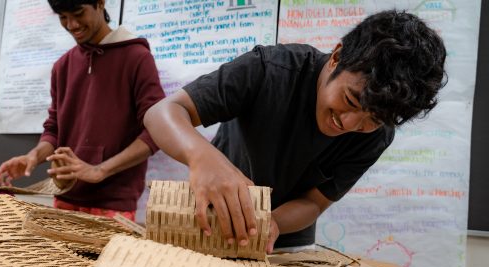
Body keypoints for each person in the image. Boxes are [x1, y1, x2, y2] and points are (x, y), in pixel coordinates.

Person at [143, 10, 446, 252]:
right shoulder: (271, 69)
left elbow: (315, 202)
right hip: (210, 222)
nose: (350, 124)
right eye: (350, 100)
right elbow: (162, 113)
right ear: (337, 57)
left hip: (286, 245)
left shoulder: (378, 135)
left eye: (373, 119)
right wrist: (202, 158)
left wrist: (272, 222)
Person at [0, 0, 165, 220]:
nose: (72, 24)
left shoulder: (137, 58)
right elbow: (54, 129)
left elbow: (156, 132)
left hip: (113, 205)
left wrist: (100, 170)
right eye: (63, 17)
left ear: (100, 3)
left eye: (78, 13)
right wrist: (33, 157)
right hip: (64, 197)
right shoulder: (62, 66)